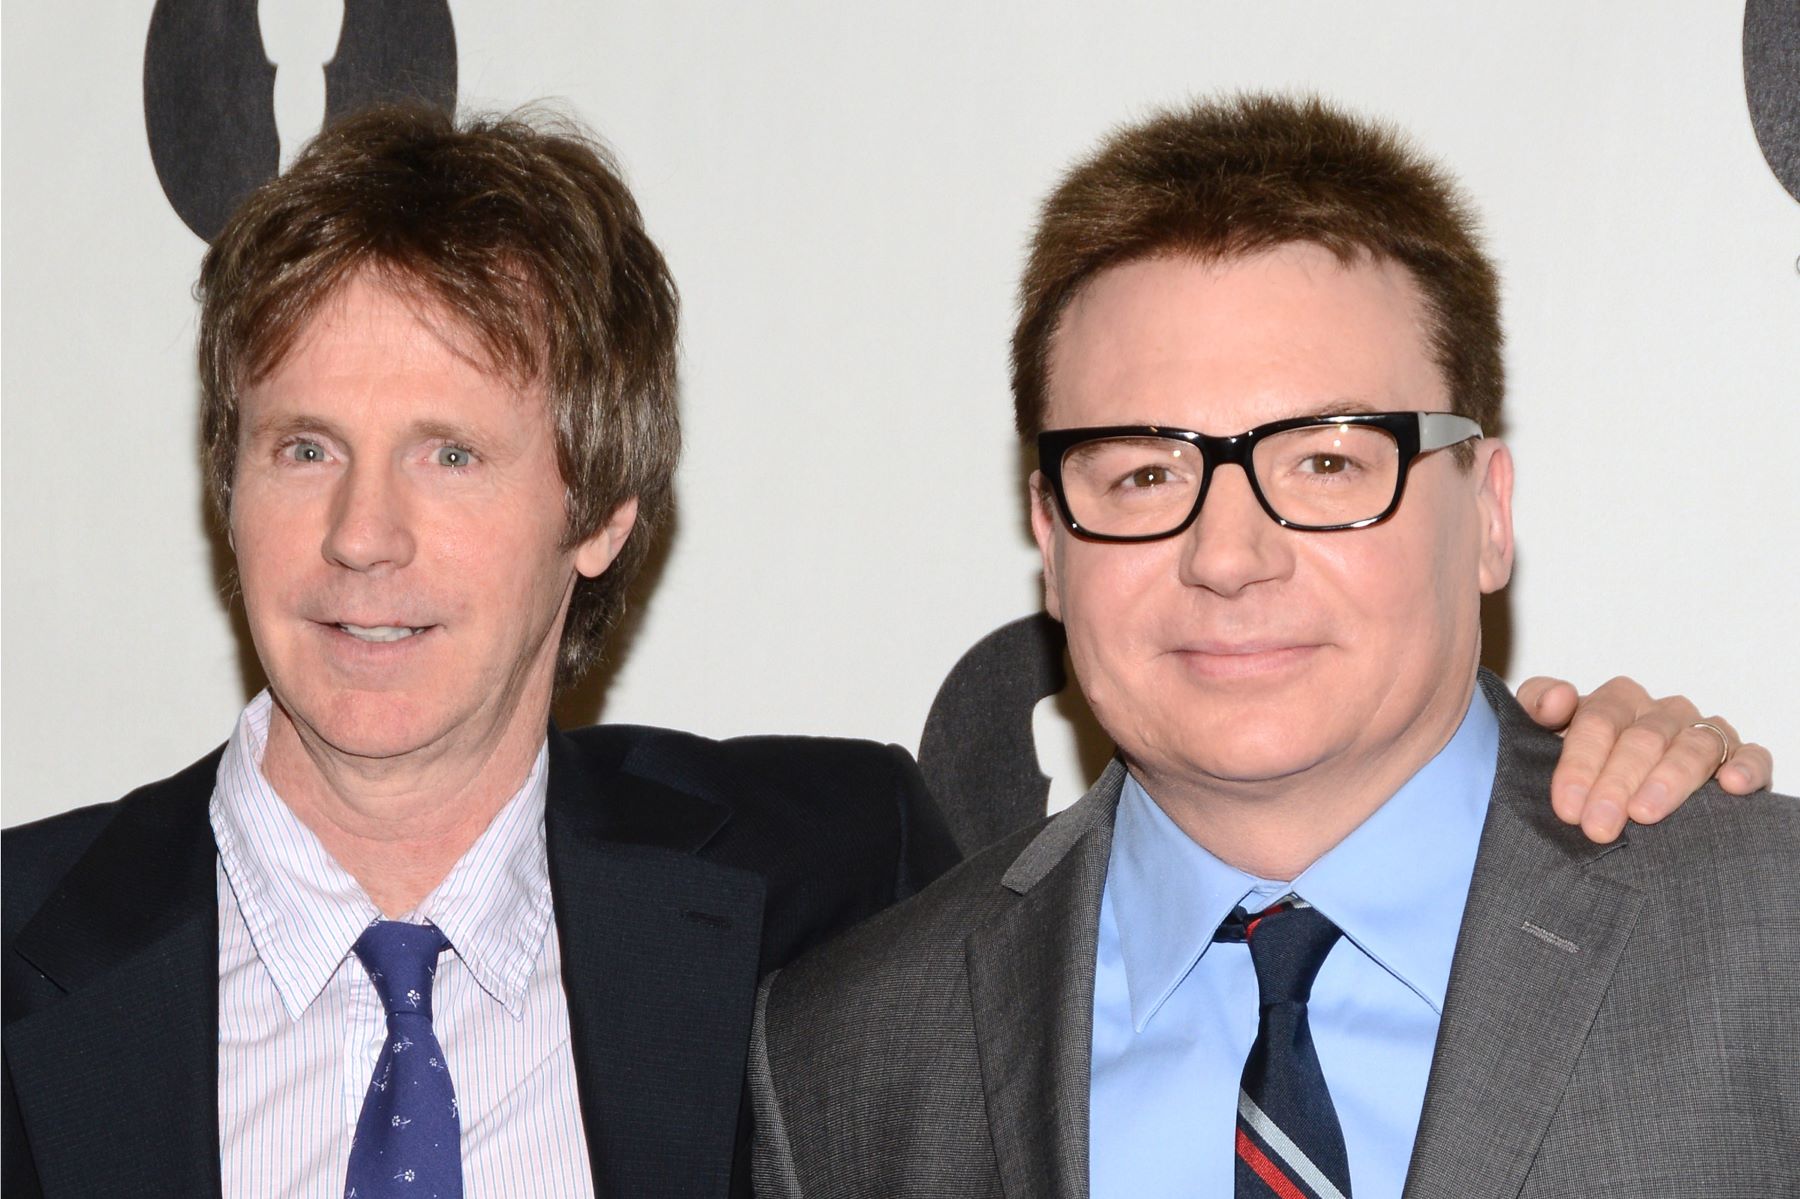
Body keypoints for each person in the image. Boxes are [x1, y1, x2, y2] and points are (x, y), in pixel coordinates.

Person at [0, 103, 1766, 1199]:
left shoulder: (814, 891)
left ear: (601, 503)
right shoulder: (861, 1027)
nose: (363, 535)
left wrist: (1621, 777)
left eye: (1325, 461)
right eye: (304, 445)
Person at [749, 94, 1796, 1198]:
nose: (1230, 553)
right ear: (1051, 544)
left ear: (1487, 514)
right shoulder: (844, 1062)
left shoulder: (1768, 937)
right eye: (1145, 475)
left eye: (1328, 463)